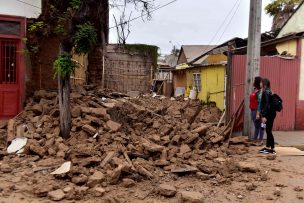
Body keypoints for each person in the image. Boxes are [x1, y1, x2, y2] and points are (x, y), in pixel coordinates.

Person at [259, 78, 276, 154]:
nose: (260, 84)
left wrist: (264, 116)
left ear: (264, 83)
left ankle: (272, 149)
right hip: (271, 113)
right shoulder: (268, 91)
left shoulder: (266, 92)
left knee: (268, 131)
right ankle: (267, 147)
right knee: (268, 130)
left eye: (261, 82)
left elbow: (266, 105)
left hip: (269, 114)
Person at [249, 76, 264, 142]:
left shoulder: (259, 92)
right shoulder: (255, 90)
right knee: (257, 125)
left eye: (254, 80)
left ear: (256, 82)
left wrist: (258, 113)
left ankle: (259, 140)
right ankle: (256, 139)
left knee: (260, 125)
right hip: (253, 109)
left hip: (257, 110)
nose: (253, 82)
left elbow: (260, 103)